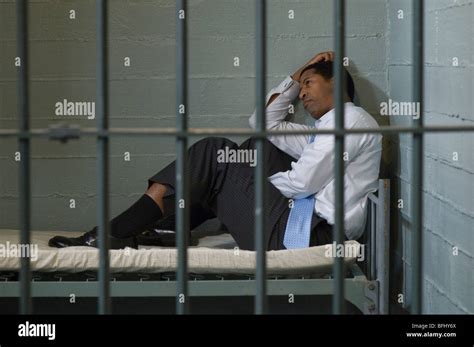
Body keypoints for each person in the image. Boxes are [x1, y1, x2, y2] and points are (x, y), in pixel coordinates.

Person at [49, 51, 382, 251]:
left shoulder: (351, 120)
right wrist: (299, 72)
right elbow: (262, 122)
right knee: (258, 147)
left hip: (308, 235)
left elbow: (305, 182)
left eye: (309, 84)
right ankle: (169, 228)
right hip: (299, 225)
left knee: (214, 154)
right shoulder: (323, 130)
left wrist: (239, 184)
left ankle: (114, 234)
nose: (303, 94)